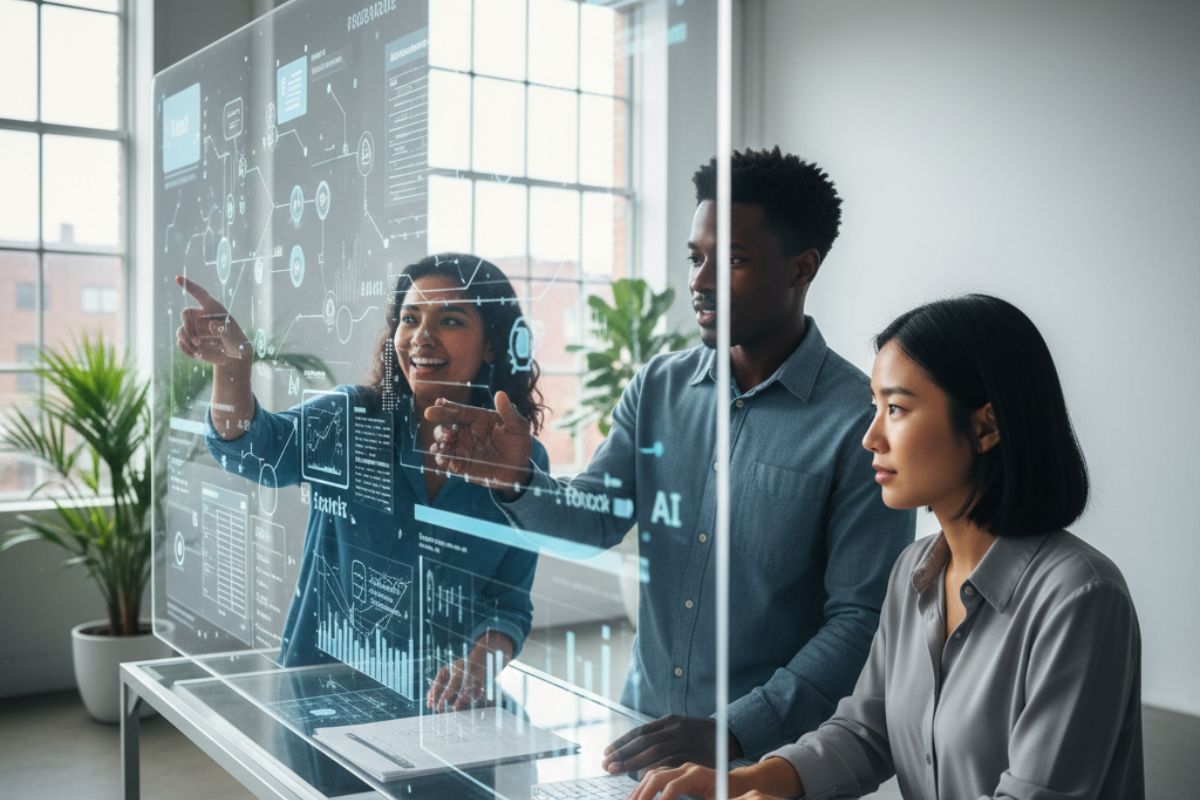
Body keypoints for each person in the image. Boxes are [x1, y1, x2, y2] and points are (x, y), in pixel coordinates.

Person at [423, 148, 916, 768]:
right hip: (643, 745)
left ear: (802, 268)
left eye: (731, 260)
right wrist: (519, 480)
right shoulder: (657, 387)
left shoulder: (859, 422)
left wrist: (732, 731)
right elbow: (597, 520)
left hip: (771, 768)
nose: (700, 281)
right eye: (696, 256)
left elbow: (860, 622)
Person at [630, 294, 1144, 800]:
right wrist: (740, 781)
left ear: (985, 425)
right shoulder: (913, 572)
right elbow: (866, 731)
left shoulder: (1080, 598)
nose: (870, 437)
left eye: (895, 408)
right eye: (874, 407)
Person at [176, 253, 550, 712]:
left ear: (492, 344)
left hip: (448, 713)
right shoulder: (350, 418)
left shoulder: (520, 461)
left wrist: (479, 664)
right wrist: (231, 369)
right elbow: (254, 452)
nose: (422, 337)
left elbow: (508, 603)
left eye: (449, 320)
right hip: (325, 698)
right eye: (409, 318)